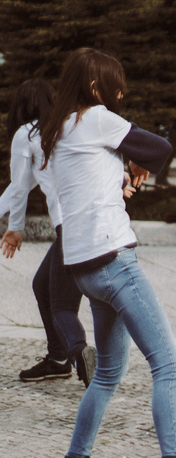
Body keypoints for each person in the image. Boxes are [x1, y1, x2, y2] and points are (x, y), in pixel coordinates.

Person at [40, 48, 176, 458]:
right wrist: (136, 160)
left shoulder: (58, 131)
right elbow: (161, 149)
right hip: (114, 263)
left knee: (109, 373)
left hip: (83, 269)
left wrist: (121, 172)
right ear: (96, 88)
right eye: (116, 87)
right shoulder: (97, 118)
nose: (121, 95)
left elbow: (89, 183)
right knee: (168, 365)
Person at [1, 79, 96, 387]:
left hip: (70, 227)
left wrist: (16, 228)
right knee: (42, 285)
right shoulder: (64, 129)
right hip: (91, 220)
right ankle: (58, 359)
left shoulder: (26, 134)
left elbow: (19, 188)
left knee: (60, 303)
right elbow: (22, 186)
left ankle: (79, 354)